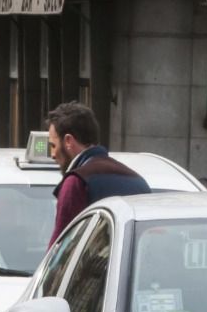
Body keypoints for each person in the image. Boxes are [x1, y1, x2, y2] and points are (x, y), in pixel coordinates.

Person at [46, 102, 149, 245]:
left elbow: (60, 251)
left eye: (53, 145)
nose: (52, 154)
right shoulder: (138, 181)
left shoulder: (77, 182)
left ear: (68, 141)